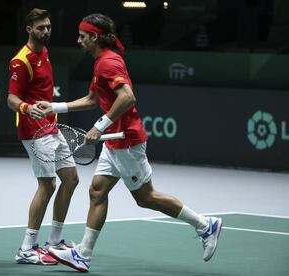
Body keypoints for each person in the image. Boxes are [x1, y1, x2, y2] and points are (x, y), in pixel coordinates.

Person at [38, 13, 223, 272]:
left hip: (126, 140)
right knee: (97, 191)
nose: (78, 40)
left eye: (82, 36)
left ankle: (205, 225)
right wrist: (55, 107)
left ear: (94, 36)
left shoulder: (108, 63)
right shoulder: (100, 61)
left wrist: (99, 126)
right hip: (115, 142)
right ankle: (84, 254)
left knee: (146, 197)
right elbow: (93, 98)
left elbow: (127, 97)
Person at [7, 8, 79, 266]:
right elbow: (11, 99)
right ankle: (27, 248)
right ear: (29, 29)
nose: (46, 31)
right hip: (34, 131)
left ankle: (55, 242)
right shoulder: (21, 61)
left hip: (52, 126)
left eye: (48, 27)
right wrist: (27, 108)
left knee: (70, 179)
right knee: (47, 185)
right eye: (41, 28)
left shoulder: (45, 53)